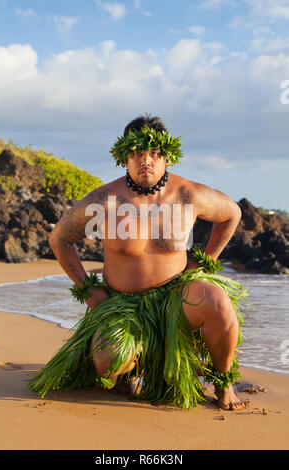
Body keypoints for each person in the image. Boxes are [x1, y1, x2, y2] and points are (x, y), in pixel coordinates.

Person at [28, 114, 248, 411]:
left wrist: (204, 262)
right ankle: (128, 372)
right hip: (124, 303)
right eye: (137, 153)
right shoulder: (104, 201)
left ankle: (223, 383)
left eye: (155, 153)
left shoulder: (188, 194)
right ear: (124, 157)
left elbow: (231, 213)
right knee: (107, 361)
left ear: (167, 157)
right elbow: (60, 239)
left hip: (177, 295)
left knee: (218, 302)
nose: (147, 160)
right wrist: (88, 289)